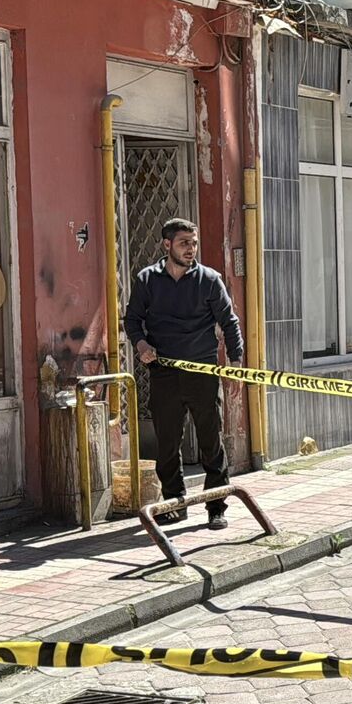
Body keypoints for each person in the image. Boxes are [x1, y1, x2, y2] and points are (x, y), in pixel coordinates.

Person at [124, 217, 245, 529]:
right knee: (167, 444)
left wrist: (235, 360)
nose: (191, 249)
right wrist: (141, 344)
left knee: (211, 442)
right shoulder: (147, 279)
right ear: (167, 245)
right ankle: (175, 504)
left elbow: (229, 321)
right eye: (184, 243)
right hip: (163, 373)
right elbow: (132, 319)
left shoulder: (209, 280)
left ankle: (216, 507)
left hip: (202, 372)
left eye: (194, 243)